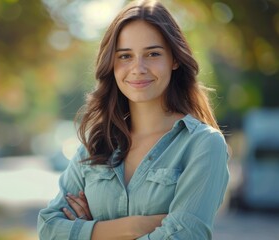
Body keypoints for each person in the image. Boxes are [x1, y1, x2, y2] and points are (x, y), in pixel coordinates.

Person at [37, 0, 229, 239]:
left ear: (175, 59)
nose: (138, 68)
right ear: (112, 64)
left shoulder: (203, 145)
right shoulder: (96, 143)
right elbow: (49, 229)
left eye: (153, 53)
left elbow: (184, 235)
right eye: (125, 56)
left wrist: (89, 232)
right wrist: (135, 227)